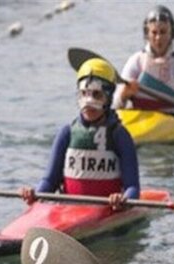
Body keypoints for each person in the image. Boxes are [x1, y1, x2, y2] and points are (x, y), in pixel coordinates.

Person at [21, 58, 140, 210]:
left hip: (106, 212)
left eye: (97, 95)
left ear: (108, 98)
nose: (88, 102)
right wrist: (35, 194)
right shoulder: (67, 133)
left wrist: (122, 199)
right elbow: (50, 182)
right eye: (84, 94)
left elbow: (133, 188)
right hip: (68, 211)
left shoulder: (120, 135)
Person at [112, 5, 174, 122]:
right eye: (154, 32)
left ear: (172, 34)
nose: (158, 38)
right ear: (147, 34)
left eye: (163, 32)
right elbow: (116, 105)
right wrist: (124, 95)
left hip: (172, 118)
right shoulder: (136, 61)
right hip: (139, 118)